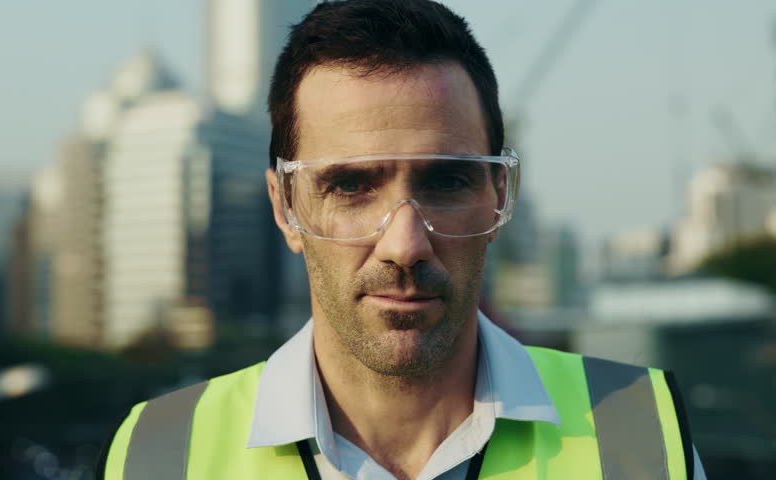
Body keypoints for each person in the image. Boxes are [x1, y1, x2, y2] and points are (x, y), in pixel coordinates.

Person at [97, 1, 706, 478]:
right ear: (284, 207)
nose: (405, 245)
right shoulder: (157, 455)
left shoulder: (642, 436)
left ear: (500, 195)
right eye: (350, 186)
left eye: (446, 182)